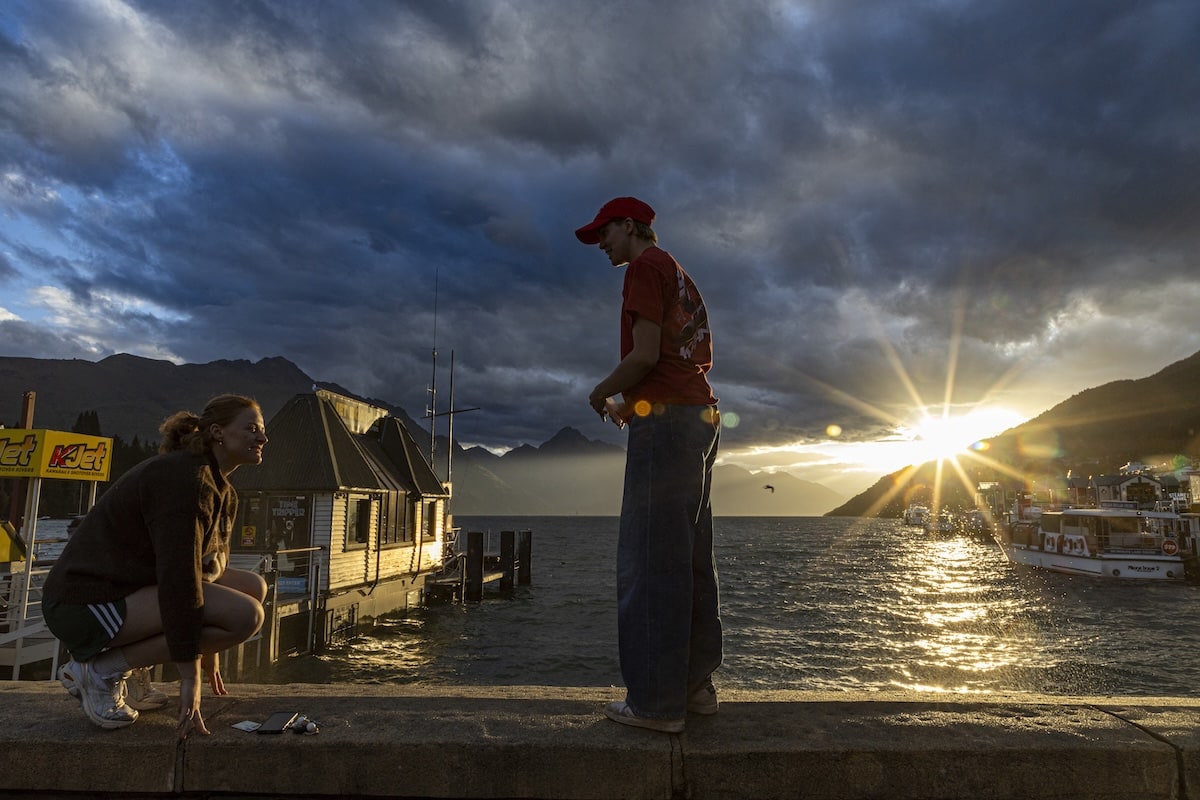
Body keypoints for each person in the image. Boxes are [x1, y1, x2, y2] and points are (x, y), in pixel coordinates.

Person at [575, 197, 723, 733]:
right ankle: (694, 686)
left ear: (630, 226)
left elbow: (643, 355)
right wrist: (629, 403)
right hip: (699, 418)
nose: (601, 244)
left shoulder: (642, 268)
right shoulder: (675, 272)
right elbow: (673, 363)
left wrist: (600, 392)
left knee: (650, 560)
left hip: (667, 426)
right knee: (689, 557)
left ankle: (656, 704)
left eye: (605, 233)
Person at [42, 394, 269, 738]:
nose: (262, 437)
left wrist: (211, 650)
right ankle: (101, 671)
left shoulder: (219, 487)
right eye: (251, 429)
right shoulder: (187, 480)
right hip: (82, 602)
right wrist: (190, 675)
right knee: (246, 616)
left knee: (253, 587)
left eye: (261, 430)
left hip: (129, 588)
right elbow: (180, 580)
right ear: (217, 432)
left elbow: (208, 567)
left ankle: (134, 669)